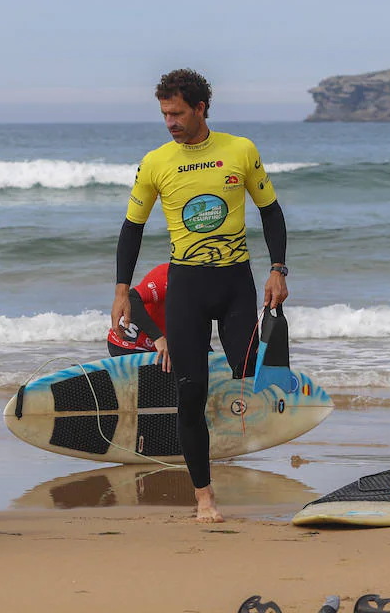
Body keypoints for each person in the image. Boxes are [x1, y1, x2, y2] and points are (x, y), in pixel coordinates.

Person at [111, 69, 289, 522]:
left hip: (234, 283)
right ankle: (204, 497)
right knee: (189, 395)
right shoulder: (155, 162)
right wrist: (121, 290)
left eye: (177, 113)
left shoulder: (240, 150)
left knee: (249, 368)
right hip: (186, 286)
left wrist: (277, 270)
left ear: (200, 108)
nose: (169, 121)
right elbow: (132, 228)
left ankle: (247, 367)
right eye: (164, 114)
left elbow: (270, 212)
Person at [107, 262, 171, 371]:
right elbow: (132, 299)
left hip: (153, 346)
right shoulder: (169, 277)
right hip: (128, 344)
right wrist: (158, 338)